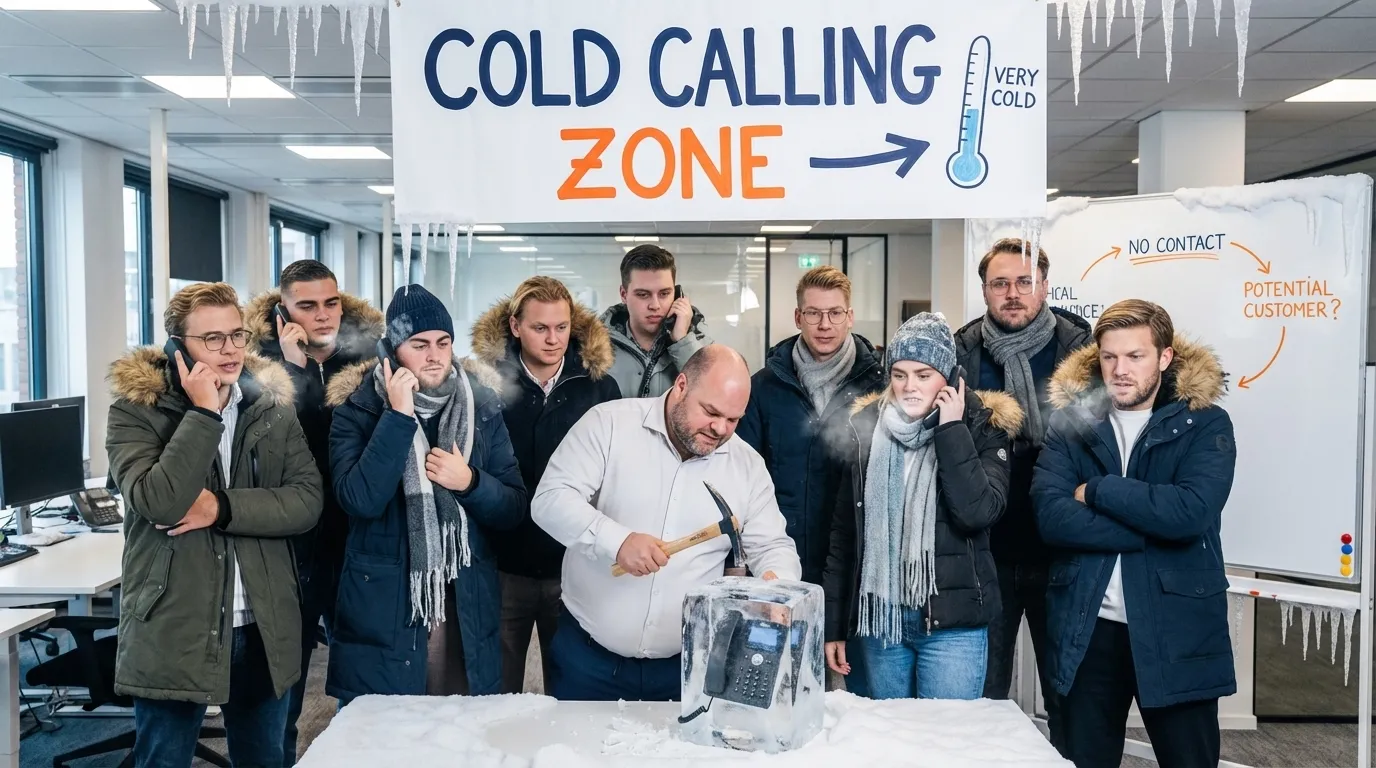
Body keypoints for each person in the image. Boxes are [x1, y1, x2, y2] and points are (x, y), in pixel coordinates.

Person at [106, 282, 323, 768]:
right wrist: (204, 412)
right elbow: (160, 501)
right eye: (212, 339)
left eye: (236, 335)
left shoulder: (271, 406)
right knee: (163, 760)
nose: (230, 350)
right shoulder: (136, 411)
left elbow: (307, 500)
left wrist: (220, 508)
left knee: (265, 759)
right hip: (176, 625)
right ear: (178, 346)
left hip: (263, 624)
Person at [531, 345, 802, 702]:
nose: (720, 428)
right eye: (711, 412)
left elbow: (772, 545)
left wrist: (776, 585)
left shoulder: (746, 466)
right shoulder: (609, 425)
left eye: (733, 419)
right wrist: (617, 541)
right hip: (588, 660)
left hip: (689, 667)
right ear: (682, 385)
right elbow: (550, 500)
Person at [1032, 299, 1237, 768]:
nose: (1120, 370)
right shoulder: (1071, 423)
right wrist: (1152, 529)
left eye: (1135, 356)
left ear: (1164, 357)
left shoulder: (1205, 422)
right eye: (1109, 356)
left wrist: (1098, 489)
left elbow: (1190, 513)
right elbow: (1051, 516)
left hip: (1177, 629)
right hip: (1088, 629)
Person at [325, 285, 526, 702]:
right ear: (392, 350)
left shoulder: (481, 407)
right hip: (389, 604)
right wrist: (398, 417)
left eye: (443, 342)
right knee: (388, 729)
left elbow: (513, 507)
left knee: (460, 727)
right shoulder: (358, 409)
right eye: (419, 345)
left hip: (464, 601)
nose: (434, 355)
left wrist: (470, 482)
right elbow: (359, 499)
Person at [823, 313, 1021, 700]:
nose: (909, 386)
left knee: (945, 735)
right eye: (899, 374)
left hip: (953, 628)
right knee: (890, 734)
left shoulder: (981, 426)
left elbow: (977, 512)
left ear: (948, 377)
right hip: (882, 622)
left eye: (923, 375)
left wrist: (952, 428)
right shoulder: (867, 430)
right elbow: (845, 535)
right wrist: (833, 625)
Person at [245, 259, 384, 764]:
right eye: (307, 306)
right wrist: (294, 372)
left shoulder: (371, 359)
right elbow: (283, 448)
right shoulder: (254, 366)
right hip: (289, 547)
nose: (323, 315)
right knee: (282, 685)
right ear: (282, 312)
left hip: (355, 540)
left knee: (363, 680)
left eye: (331, 303)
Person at [954, 238, 1092, 727]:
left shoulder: (1084, 353)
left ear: (1045, 286)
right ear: (985, 290)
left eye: (1024, 282)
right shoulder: (961, 354)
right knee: (982, 697)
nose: (1012, 294)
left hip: (1064, 554)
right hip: (984, 553)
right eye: (1000, 283)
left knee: (1069, 698)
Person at [737, 265, 885, 695]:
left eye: (835, 313)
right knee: (776, 681)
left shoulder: (879, 387)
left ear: (850, 316)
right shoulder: (764, 387)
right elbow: (742, 471)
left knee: (858, 692)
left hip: (857, 560)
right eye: (814, 313)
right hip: (780, 553)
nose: (825, 324)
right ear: (797, 317)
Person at [470, 276, 621, 694]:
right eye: (540, 328)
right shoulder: (483, 384)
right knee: (496, 693)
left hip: (573, 565)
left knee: (572, 690)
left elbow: (616, 471)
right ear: (515, 326)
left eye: (561, 327)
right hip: (502, 563)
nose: (553, 339)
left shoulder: (599, 387)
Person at [598, 244, 712, 398]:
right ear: (624, 295)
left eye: (664, 294)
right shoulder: (594, 345)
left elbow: (711, 396)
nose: (655, 305)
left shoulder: (699, 342)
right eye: (643, 295)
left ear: (676, 295)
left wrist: (682, 341)